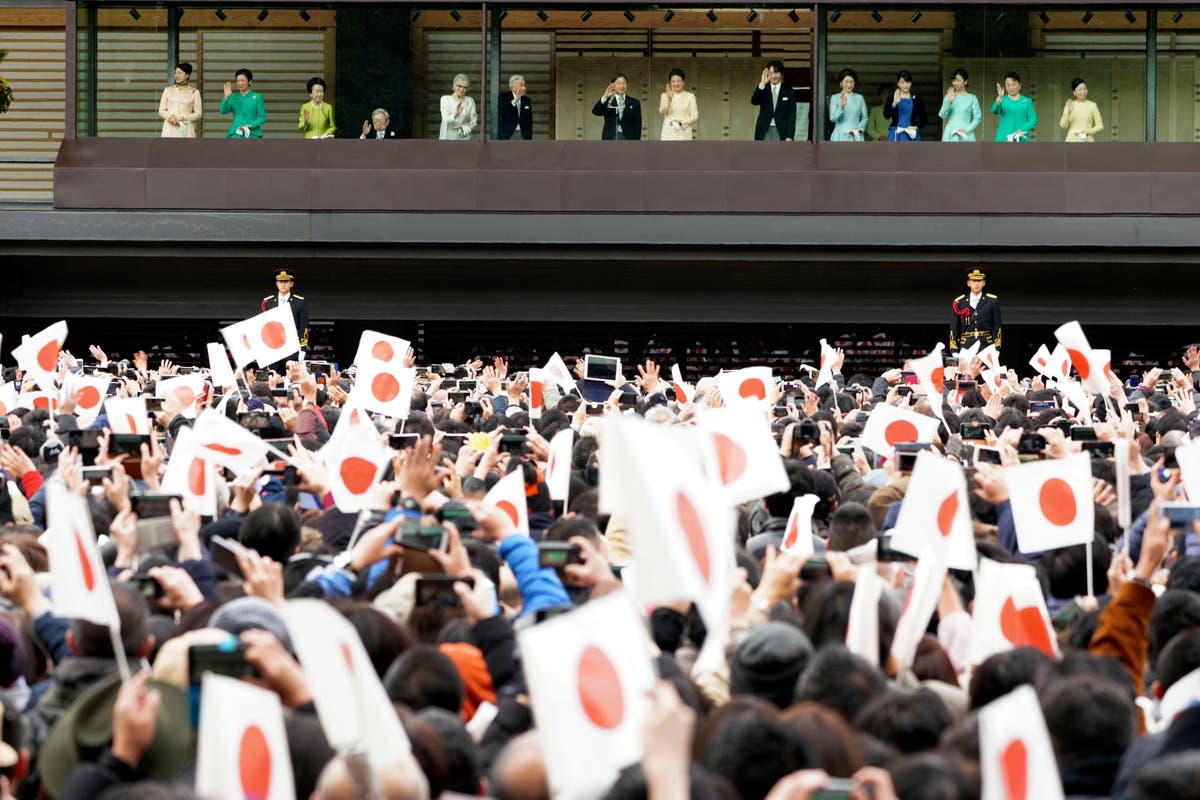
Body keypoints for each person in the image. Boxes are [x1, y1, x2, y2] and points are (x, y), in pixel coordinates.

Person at [261, 268, 309, 363]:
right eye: (280, 281)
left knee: (291, 377)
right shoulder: (268, 302)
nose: (283, 284)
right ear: (276, 283)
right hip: (272, 349)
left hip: (291, 349)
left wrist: (302, 349)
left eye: (286, 281)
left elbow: (303, 327)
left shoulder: (300, 302)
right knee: (273, 377)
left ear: (291, 284)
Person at [949, 266, 1002, 351]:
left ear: (984, 283)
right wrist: (954, 349)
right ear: (968, 283)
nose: (976, 284)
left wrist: (997, 347)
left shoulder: (992, 301)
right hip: (966, 346)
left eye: (979, 281)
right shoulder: (960, 303)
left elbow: (997, 326)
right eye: (973, 281)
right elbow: (954, 327)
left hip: (986, 346)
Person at [752, 60, 797, 142]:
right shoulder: (763, 88)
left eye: (776, 73)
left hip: (781, 131)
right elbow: (754, 101)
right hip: (764, 129)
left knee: (780, 154)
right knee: (763, 154)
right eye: (771, 73)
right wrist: (762, 83)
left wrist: (790, 136)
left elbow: (792, 115)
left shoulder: (788, 91)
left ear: (782, 74)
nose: (773, 76)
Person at [592, 73, 641, 141]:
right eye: (618, 83)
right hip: (610, 136)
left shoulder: (635, 102)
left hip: (628, 137)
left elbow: (638, 124)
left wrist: (637, 142)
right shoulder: (607, 101)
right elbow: (595, 112)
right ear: (613, 85)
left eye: (624, 83)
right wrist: (605, 96)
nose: (621, 86)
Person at [158, 62, 201, 138]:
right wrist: (170, 117)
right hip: (169, 130)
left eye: (180, 73)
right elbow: (161, 110)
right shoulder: (168, 90)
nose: (176, 75)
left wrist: (184, 117)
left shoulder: (194, 92)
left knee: (187, 150)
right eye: (175, 73)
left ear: (187, 75)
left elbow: (198, 114)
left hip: (186, 130)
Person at [220, 68, 266, 139]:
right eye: (238, 81)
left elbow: (263, 117)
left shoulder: (257, 96)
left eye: (243, 81)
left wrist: (250, 125)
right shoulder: (233, 97)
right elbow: (223, 111)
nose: (240, 83)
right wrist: (226, 97)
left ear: (250, 81)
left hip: (253, 134)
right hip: (235, 133)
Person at [991, 71, 1037, 142]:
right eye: (1008, 85)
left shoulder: (1027, 101)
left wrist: (1022, 129)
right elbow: (994, 110)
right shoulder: (1002, 99)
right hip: (1003, 138)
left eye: (1014, 84)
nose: (1011, 87)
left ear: (1019, 86)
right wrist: (999, 99)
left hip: (1020, 138)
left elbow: (1033, 120)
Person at [938, 67, 982, 142]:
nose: (955, 83)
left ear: (965, 82)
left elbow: (978, 118)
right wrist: (949, 102)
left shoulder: (972, 98)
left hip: (965, 132)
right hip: (950, 131)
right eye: (954, 80)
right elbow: (942, 115)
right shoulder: (949, 96)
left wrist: (967, 130)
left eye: (958, 81)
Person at [883, 70, 926, 141]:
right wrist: (894, 103)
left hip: (911, 134)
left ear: (911, 83)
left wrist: (917, 127)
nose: (905, 85)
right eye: (902, 82)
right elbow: (886, 115)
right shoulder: (892, 97)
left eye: (907, 82)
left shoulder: (916, 98)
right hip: (895, 134)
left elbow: (924, 118)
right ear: (898, 84)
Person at [828, 67, 867, 142]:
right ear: (841, 83)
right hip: (840, 135)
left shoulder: (859, 98)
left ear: (854, 83)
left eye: (851, 82)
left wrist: (857, 129)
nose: (849, 85)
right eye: (846, 82)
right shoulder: (835, 97)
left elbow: (865, 118)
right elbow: (832, 118)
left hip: (855, 135)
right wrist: (841, 107)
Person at [1060, 77, 1104, 143]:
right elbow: (1063, 125)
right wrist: (1068, 112)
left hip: (1088, 140)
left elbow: (1100, 125)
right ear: (1074, 92)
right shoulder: (1069, 105)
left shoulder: (1092, 105)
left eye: (1085, 89)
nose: (1083, 92)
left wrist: (1087, 132)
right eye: (1079, 89)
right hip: (1071, 141)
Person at [659, 68, 698, 141]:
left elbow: (695, 116)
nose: (676, 84)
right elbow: (662, 111)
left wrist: (680, 122)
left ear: (683, 82)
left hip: (684, 132)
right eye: (673, 81)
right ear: (670, 83)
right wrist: (669, 99)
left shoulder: (690, 96)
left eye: (679, 81)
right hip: (668, 133)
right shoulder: (664, 95)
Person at [440, 75, 478, 140]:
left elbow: (474, 121)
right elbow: (445, 119)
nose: (461, 89)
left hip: (465, 139)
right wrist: (455, 114)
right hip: (448, 139)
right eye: (459, 86)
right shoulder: (445, 99)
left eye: (465, 87)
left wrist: (467, 127)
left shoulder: (470, 101)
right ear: (454, 85)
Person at [497, 75, 532, 141]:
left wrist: (529, 137)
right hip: (508, 134)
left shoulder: (527, 100)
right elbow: (504, 113)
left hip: (523, 134)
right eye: (521, 85)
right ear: (511, 87)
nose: (524, 88)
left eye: (524, 85)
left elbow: (529, 122)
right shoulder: (503, 97)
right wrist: (515, 100)